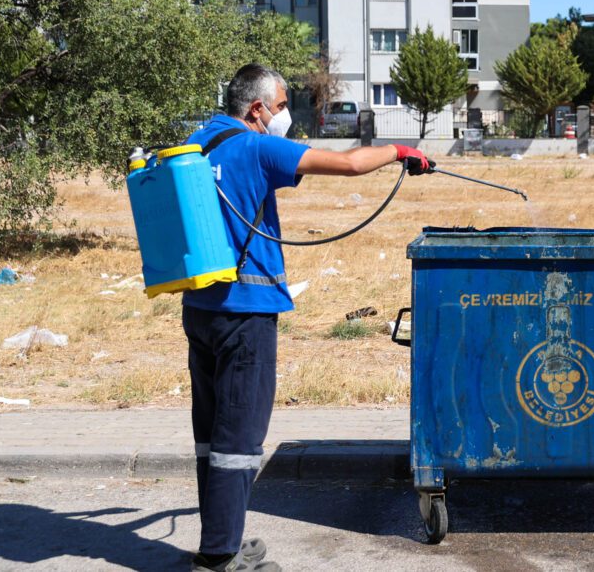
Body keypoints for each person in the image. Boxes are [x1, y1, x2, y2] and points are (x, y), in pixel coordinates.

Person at [181, 64, 433, 572]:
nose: (284, 115)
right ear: (256, 109)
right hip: (246, 316)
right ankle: (219, 560)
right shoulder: (257, 147)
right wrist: (400, 153)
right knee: (240, 441)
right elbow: (348, 163)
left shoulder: (200, 139)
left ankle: (219, 540)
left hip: (199, 308)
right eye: (279, 106)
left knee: (211, 437)